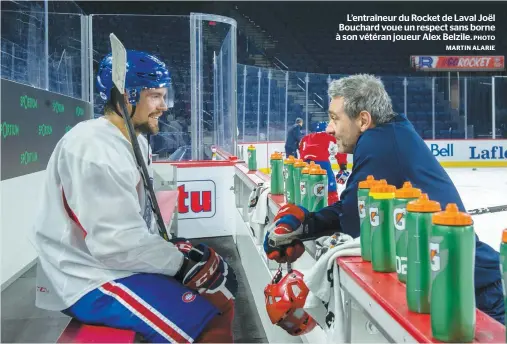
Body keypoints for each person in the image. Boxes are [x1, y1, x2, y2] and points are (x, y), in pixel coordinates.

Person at [29, 50, 237, 343]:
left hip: (111, 264)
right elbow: (115, 243)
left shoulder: (132, 138)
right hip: (87, 277)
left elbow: (131, 229)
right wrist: (181, 265)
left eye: (165, 96)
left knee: (221, 294)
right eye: (155, 96)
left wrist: (179, 252)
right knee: (207, 326)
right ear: (127, 97)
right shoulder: (93, 148)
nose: (164, 106)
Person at [264, 74, 504, 324]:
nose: (329, 128)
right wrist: (306, 224)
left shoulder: (379, 142)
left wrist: (305, 225)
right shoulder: (391, 131)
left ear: (364, 119)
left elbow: (354, 220)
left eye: (335, 118)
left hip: (470, 291)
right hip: (459, 283)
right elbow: (355, 211)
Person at [298, 121, 349, 205]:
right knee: (330, 186)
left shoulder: (307, 137)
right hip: (321, 162)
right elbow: (340, 151)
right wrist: (343, 166)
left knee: (306, 187)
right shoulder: (330, 136)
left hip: (305, 164)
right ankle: (332, 205)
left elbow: (301, 149)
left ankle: (307, 204)